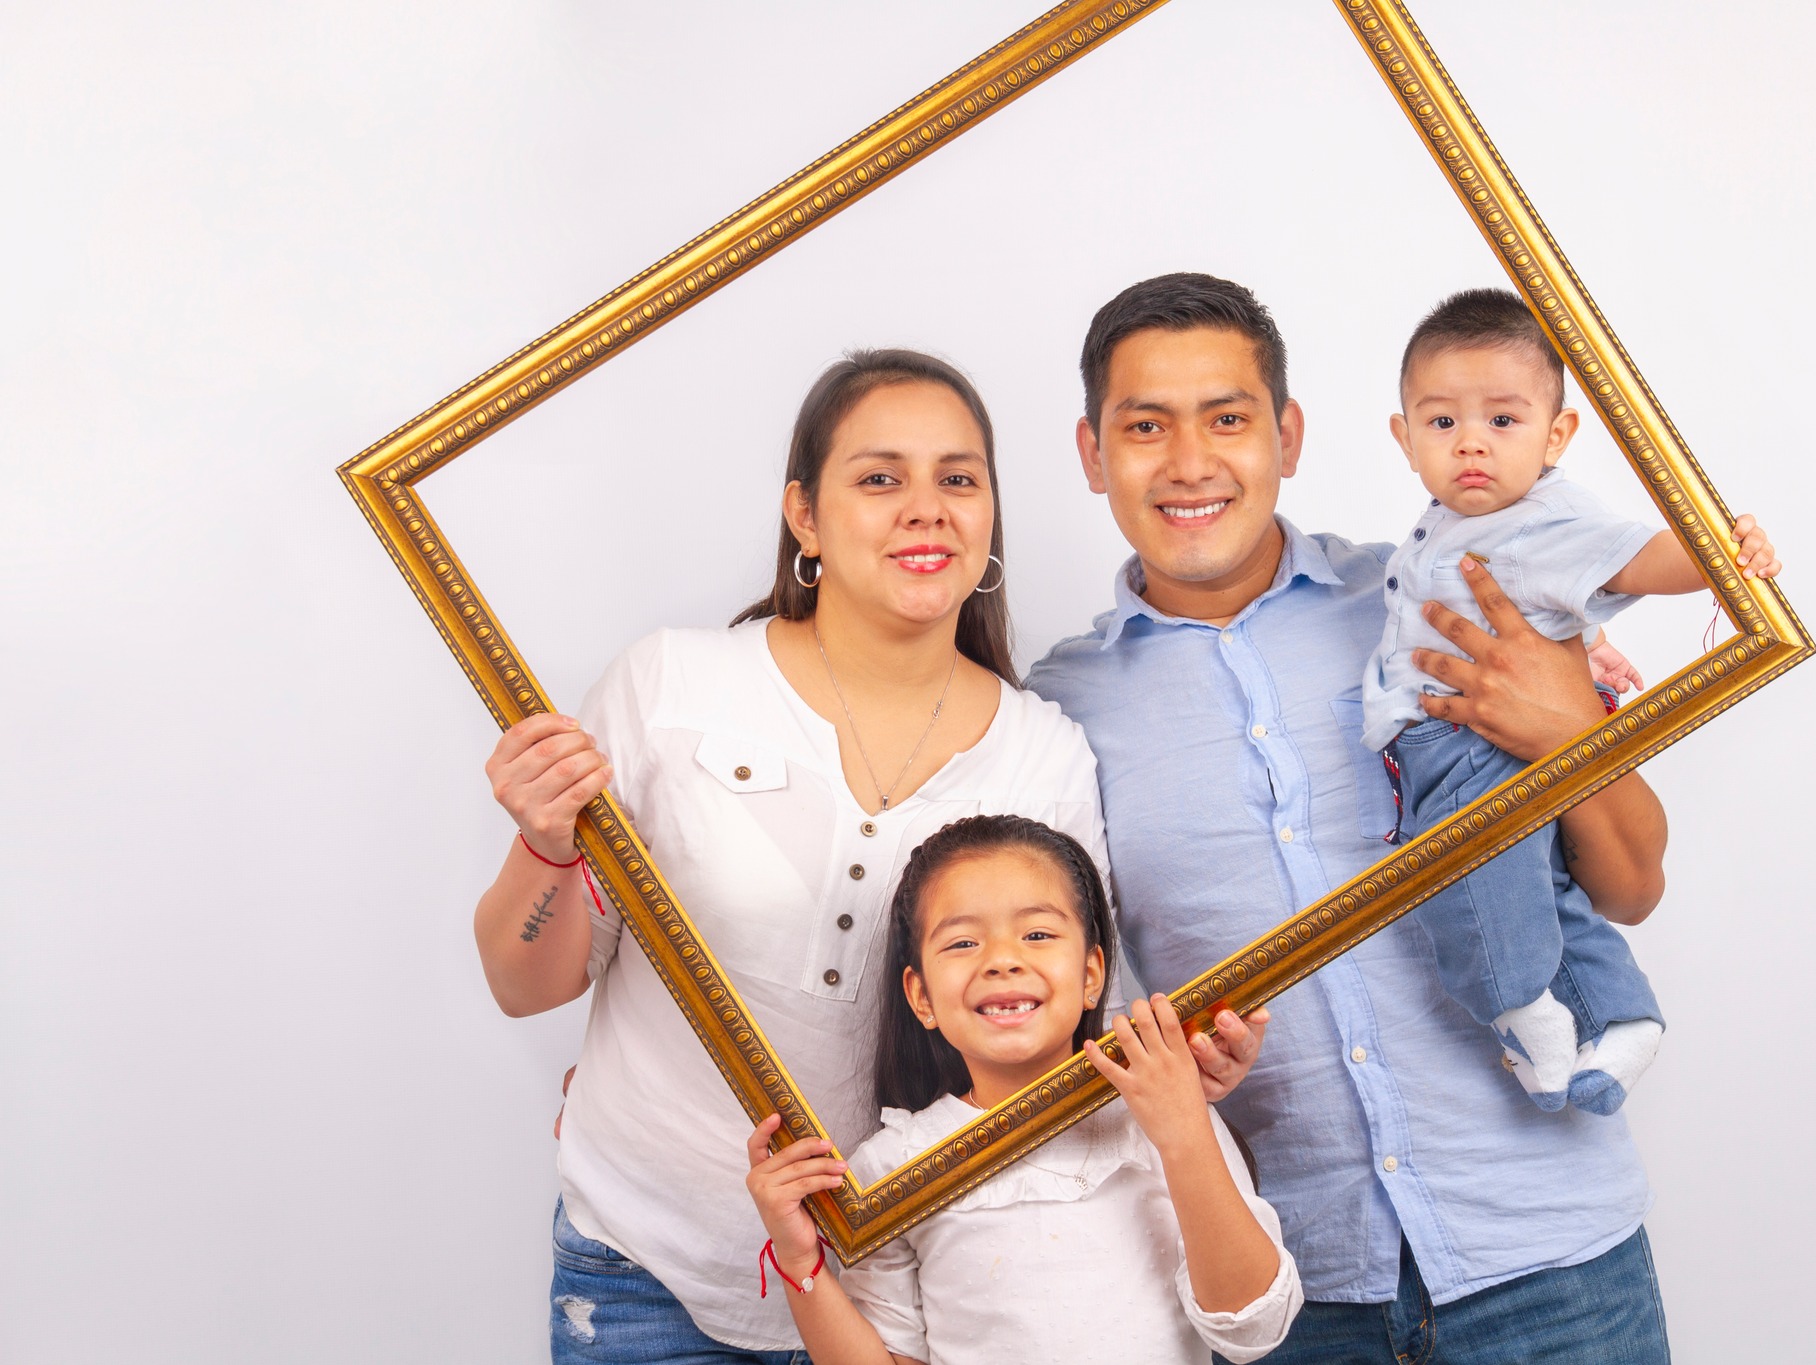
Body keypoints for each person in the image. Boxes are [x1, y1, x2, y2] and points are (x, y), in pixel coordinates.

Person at [473, 349, 1262, 1363]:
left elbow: (1061, 1029)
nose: (924, 509)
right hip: (648, 1268)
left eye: (957, 479)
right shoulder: (671, 684)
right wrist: (544, 846)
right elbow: (523, 984)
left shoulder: (1042, 752)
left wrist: (1176, 1073)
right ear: (803, 513)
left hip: (917, 1295)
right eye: (879, 478)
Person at [1026, 274, 1686, 1362]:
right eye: (1145, 427)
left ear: (1286, 435)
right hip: (1293, 1298)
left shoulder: (1445, 600)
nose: (1189, 463)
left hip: (1550, 1263)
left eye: (1227, 419)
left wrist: (1566, 729)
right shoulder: (1053, 715)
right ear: (1093, 454)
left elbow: (1631, 886)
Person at [1367, 287, 1782, 1115]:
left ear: (1557, 435)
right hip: (1464, 737)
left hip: (1465, 743)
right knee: (1539, 889)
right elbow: (1539, 602)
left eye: (1504, 421)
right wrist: (1588, 645)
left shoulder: (1540, 519)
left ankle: (1519, 1006)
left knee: (1463, 877)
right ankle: (1619, 1014)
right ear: (1404, 436)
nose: (1471, 443)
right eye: (1442, 422)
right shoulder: (1457, 522)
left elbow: (1632, 559)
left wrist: (1718, 554)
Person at [743, 814, 1302, 1365]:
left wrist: (1182, 1132)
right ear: (921, 998)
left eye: (1037, 934)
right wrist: (799, 1260)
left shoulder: (1167, 1114)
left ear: (1091, 976)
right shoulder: (892, 1166)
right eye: (962, 943)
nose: (1003, 960)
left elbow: (1252, 1327)